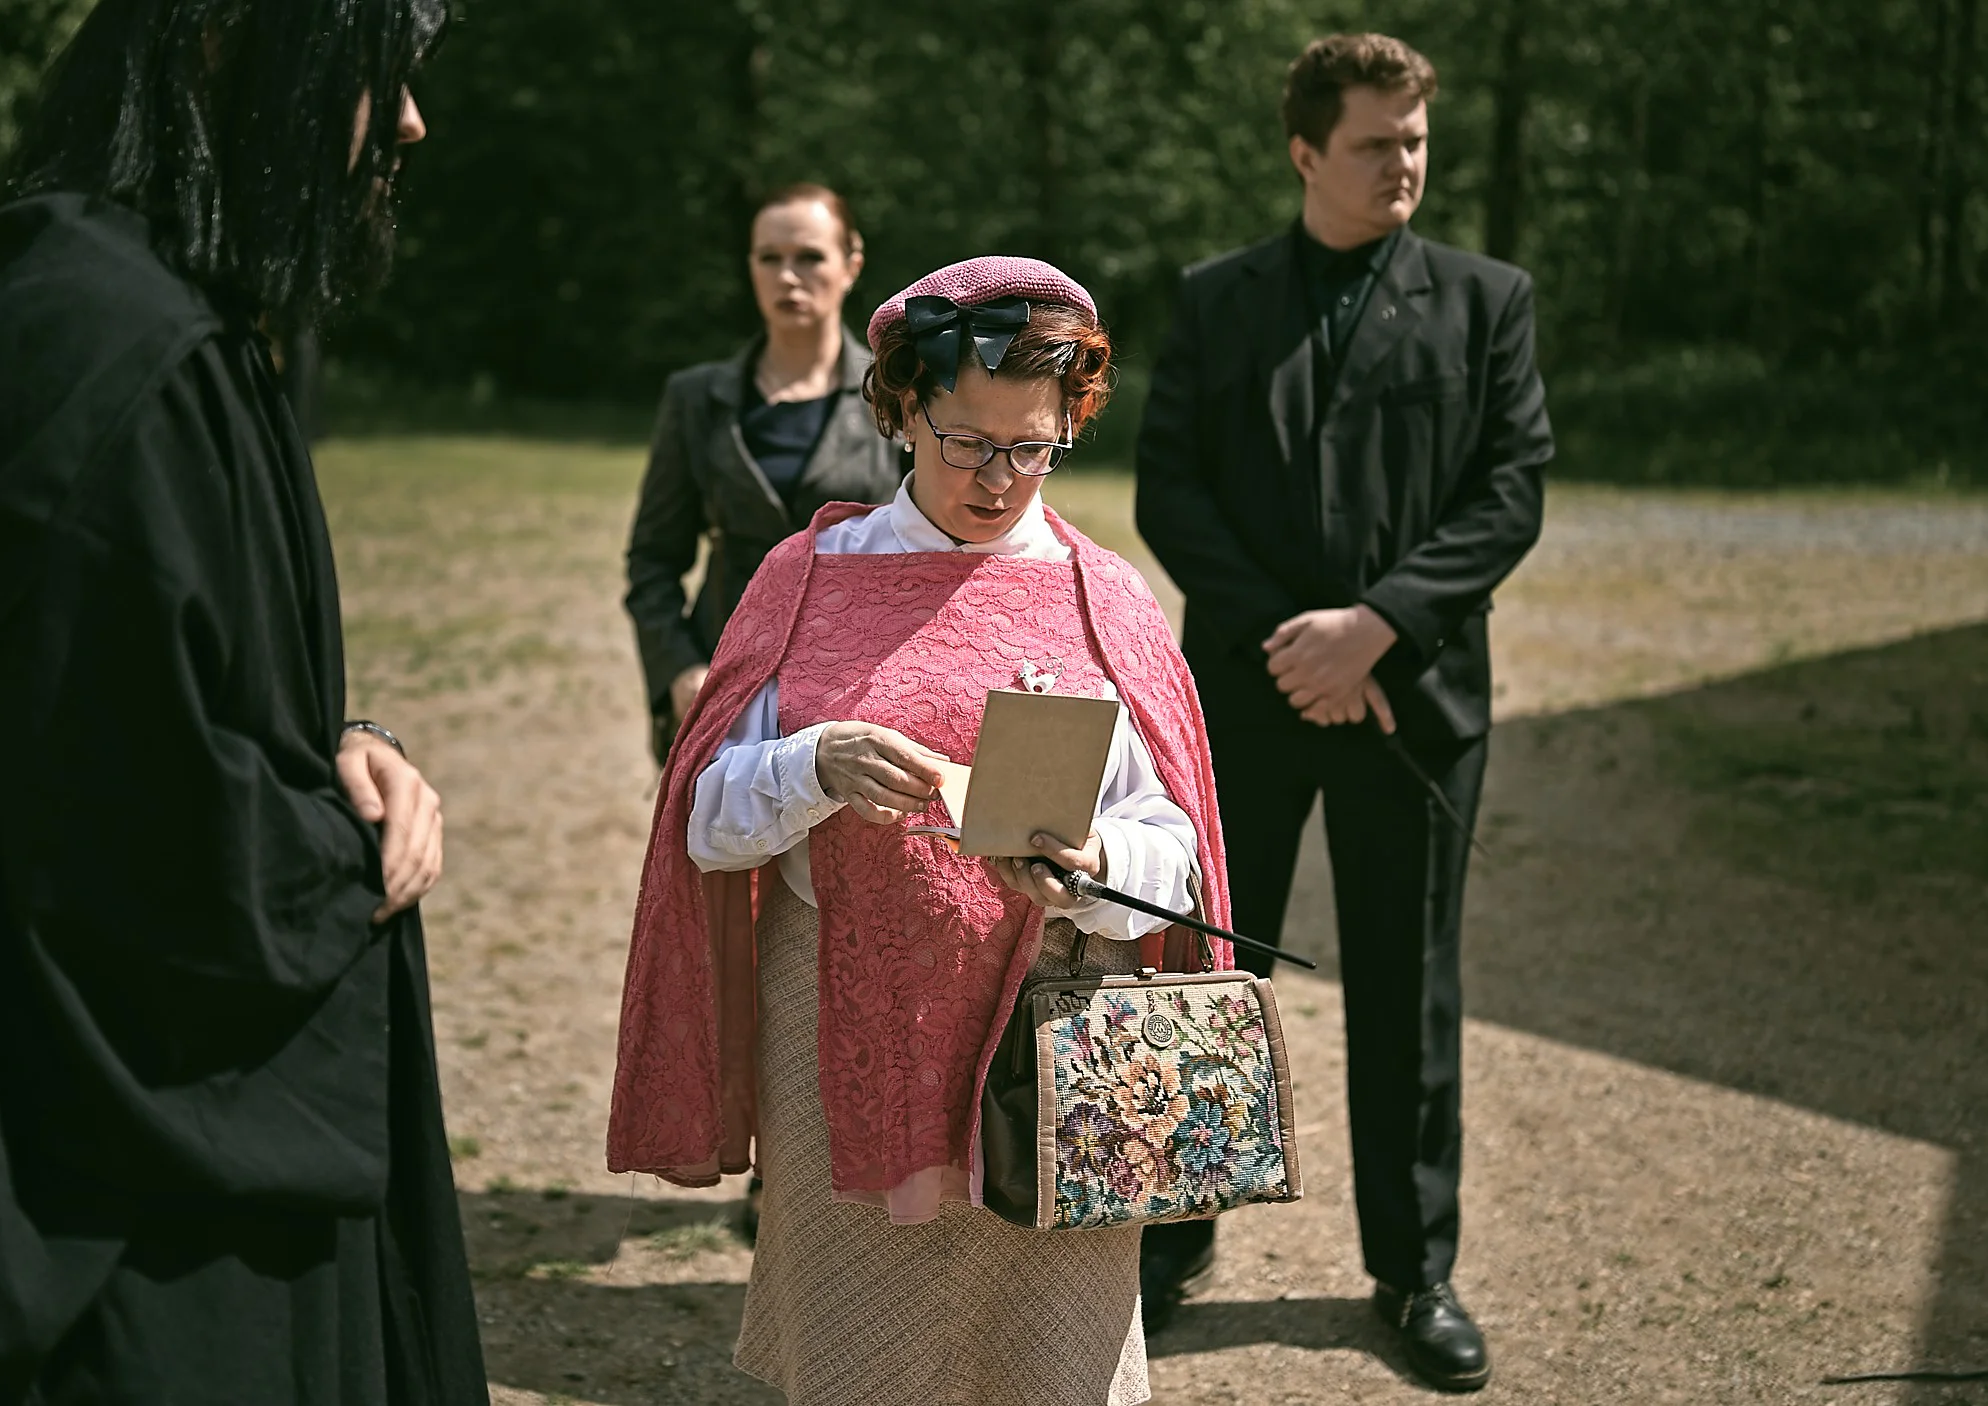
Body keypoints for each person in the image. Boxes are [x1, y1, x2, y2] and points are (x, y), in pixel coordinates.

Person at [0, 1, 488, 1401]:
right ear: (236, 49)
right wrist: (344, 865)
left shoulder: (102, 315)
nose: (407, 120)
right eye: (375, 73)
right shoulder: (129, 360)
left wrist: (341, 742)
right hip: (90, 1202)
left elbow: (123, 691)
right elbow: (140, 838)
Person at [610, 256, 1236, 1406]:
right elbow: (703, 820)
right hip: (839, 1036)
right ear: (902, 409)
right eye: (966, 441)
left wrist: (1097, 866)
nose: (997, 479)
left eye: (1032, 447)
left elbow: (1173, 843)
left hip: (1054, 1047)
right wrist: (811, 764)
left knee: (1048, 1365)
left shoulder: (1104, 597)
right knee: (864, 1363)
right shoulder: (806, 578)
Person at [1132, 32, 1552, 1394]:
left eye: (1415, 140)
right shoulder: (1216, 301)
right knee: (1207, 971)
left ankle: (1414, 1270)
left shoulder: (1486, 301)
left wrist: (1376, 626)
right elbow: (1168, 485)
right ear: (1306, 151)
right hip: (1245, 695)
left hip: (1407, 704)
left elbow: (1510, 487)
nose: (1404, 165)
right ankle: (1171, 1243)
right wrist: (1290, 640)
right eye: (1376, 144)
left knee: (1408, 986)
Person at [624, 183, 903, 764]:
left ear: (851, 264)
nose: (788, 277)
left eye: (810, 257)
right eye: (770, 258)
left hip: (857, 691)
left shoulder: (897, 394)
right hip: (722, 689)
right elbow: (653, 560)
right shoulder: (696, 399)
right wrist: (679, 668)